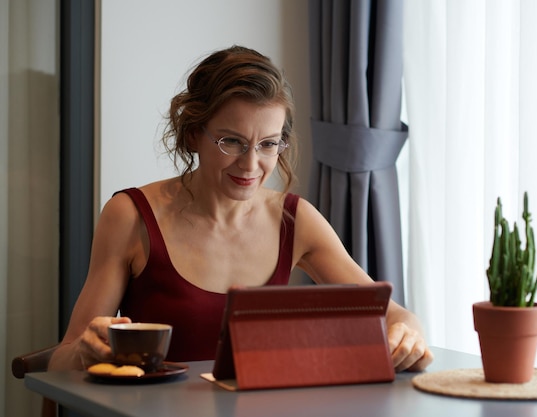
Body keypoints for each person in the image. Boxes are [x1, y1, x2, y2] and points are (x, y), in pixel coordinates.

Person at [49, 45, 433, 373]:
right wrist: (85, 351)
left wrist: (407, 334)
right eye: (231, 141)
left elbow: (395, 314)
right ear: (194, 134)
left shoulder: (295, 220)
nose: (251, 166)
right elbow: (62, 358)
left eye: (268, 144)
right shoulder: (130, 216)